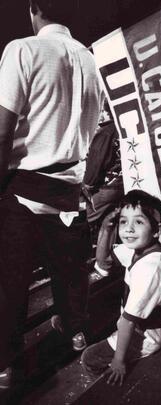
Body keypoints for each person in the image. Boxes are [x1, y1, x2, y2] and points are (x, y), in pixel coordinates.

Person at [0, 0, 103, 388]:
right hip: (70, 192)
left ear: (34, 8)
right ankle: (76, 332)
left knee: (10, 282)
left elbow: (2, 131)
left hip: (24, 190)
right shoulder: (90, 60)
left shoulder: (23, 50)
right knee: (70, 271)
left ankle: (5, 364)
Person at [81, 190, 161, 386]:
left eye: (139, 222)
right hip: (131, 323)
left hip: (145, 337)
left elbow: (128, 322)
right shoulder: (140, 249)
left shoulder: (150, 269)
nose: (129, 229)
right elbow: (104, 262)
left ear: (157, 230)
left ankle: (108, 391)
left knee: (89, 357)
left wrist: (118, 361)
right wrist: (106, 230)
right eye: (123, 221)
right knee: (90, 312)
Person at [82, 100, 124, 245]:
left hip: (107, 186)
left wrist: (87, 185)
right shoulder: (123, 127)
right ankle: (104, 262)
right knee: (109, 223)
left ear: (106, 112)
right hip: (122, 184)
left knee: (80, 219)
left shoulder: (106, 132)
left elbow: (96, 164)